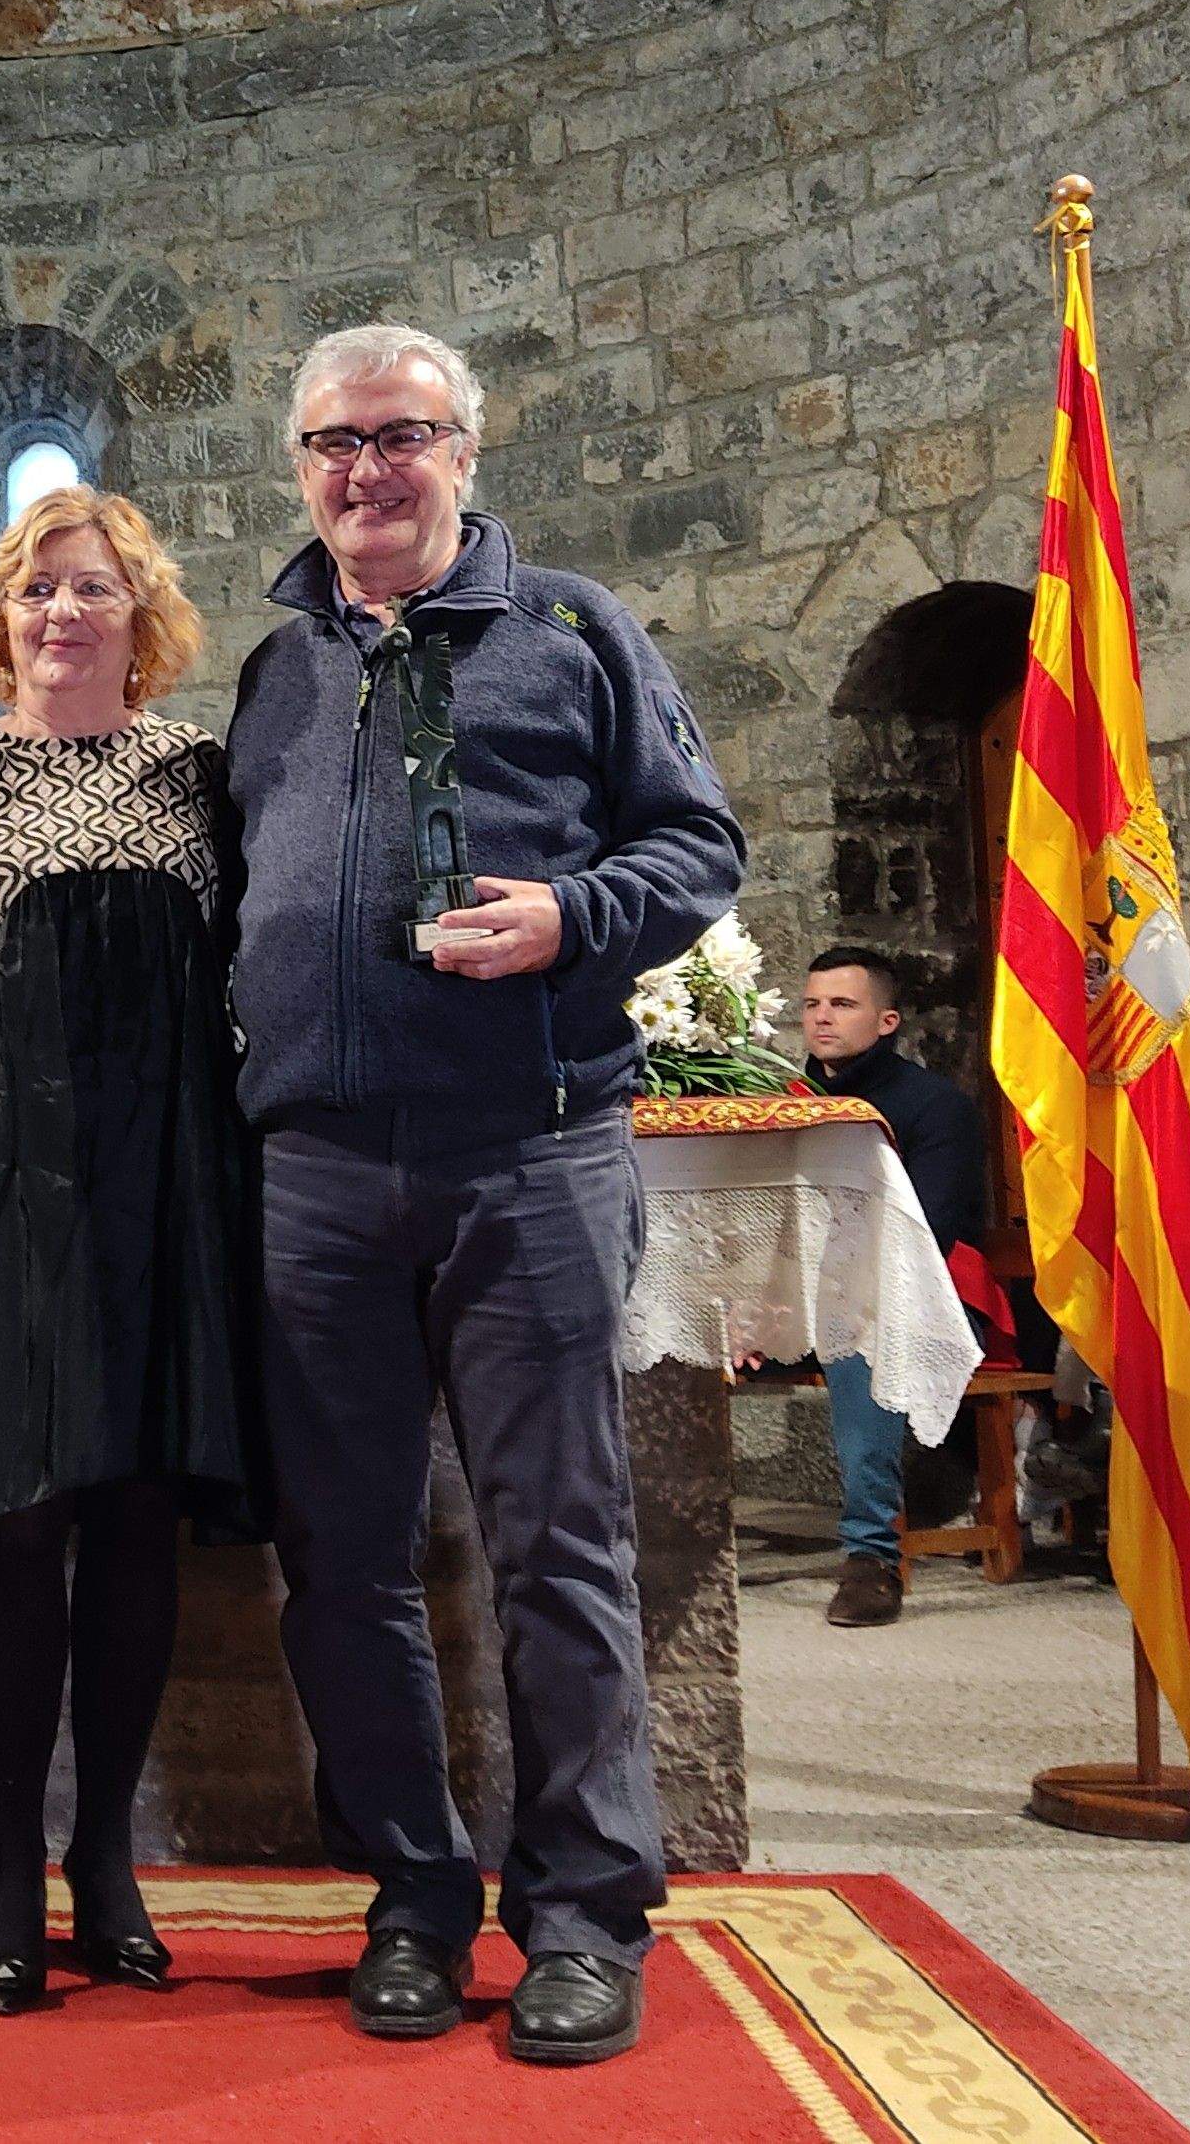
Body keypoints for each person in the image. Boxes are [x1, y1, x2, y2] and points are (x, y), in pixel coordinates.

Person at [229, 324, 744, 2067]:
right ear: (297, 461)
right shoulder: (273, 665)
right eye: (331, 439)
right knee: (342, 1561)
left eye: (399, 435)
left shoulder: (574, 628)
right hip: (309, 1165)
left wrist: (566, 918)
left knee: (555, 1548)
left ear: (465, 448)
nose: (362, 468)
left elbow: (696, 845)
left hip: (522, 1150)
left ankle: (584, 1911)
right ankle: (408, 1889)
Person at [0, 486, 263, 2014]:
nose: (62, 615)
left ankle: (107, 1856)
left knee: (136, 1521)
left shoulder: (199, 781)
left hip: (166, 1188)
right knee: (15, 1527)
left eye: (92, 591)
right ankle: (10, 1859)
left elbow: (241, 989)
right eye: (35, 593)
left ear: (142, 619)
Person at [798, 947, 991, 1627]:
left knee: (861, 1329)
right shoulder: (775, 1099)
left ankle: (871, 1557)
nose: (822, 1017)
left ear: (886, 1020)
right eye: (813, 1003)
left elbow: (928, 1236)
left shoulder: (935, 1103)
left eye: (842, 1004)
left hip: (914, 1293)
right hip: (794, 1294)